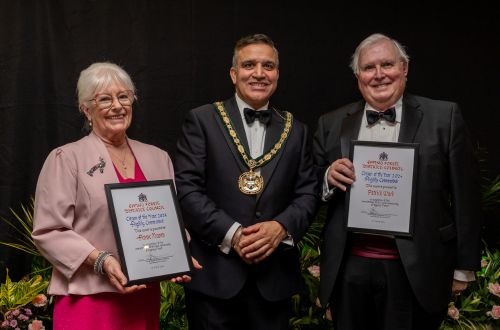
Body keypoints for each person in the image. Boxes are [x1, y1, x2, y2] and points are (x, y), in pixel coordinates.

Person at [313, 33, 481, 329]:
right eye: (368, 68)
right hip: (349, 269)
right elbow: (308, 185)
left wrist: (464, 267)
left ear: (404, 68)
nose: (378, 75)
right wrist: (327, 176)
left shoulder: (444, 117)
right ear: (358, 76)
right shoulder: (331, 123)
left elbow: (467, 197)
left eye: (387, 64)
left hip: (417, 268)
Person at [32, 62, 200, 330]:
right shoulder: (66, 159)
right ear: (86, 110)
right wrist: (101, 260)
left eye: (124, 96)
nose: (117, 106)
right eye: (105, 99)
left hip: (143, 296)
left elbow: (169, 220)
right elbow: (49, 230)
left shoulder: (158, 158)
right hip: (89, 297)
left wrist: (178, 251)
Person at [175, 33, 318, 330]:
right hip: (214, 280)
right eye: (249, 64)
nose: (259, 73)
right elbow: (187, 190)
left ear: (277, 74)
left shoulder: (297, 130)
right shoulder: (202, 120)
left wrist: (281, 227)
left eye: (268, 66)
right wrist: (233, 234)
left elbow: (308, 193)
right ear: (234, 73)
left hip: (273, 281)